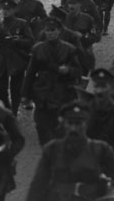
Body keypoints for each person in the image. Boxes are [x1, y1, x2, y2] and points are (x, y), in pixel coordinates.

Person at [22, 17, 85, 145]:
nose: (50, 33)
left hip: (62, 94)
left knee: (61, 129)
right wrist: (25, 95)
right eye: (47, 30)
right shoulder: (37, 49)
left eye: (53, 30)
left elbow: (78, 71)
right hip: (42, 93)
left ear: (59, 31)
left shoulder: (69, 49)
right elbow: (30, 73)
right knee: (42, 128)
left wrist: (68, 71)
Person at [0, 0, 35, 115]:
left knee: (16, 89)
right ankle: (7, 109)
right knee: (1, 90)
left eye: (8, 9)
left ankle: (13, 111)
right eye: (4, 9)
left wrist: (18, 41)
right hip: (1, 61)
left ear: (13, 10)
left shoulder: (21, 24)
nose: (5, 12)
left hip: (17, 61)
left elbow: (31, 41)